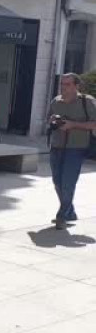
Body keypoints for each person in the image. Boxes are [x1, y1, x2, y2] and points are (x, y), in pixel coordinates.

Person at [47, 73, 96, 230]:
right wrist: (53, 120)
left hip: (76, 147)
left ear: (76, 86)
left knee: (68, 182)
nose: (64, 87)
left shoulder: (87, 102)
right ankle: (70, 211)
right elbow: (49, 119)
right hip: (56, 145)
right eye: (62, 84)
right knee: (57, 182)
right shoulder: (56, 101)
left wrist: (73, 124)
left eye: (68, 84)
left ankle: (62, 215)